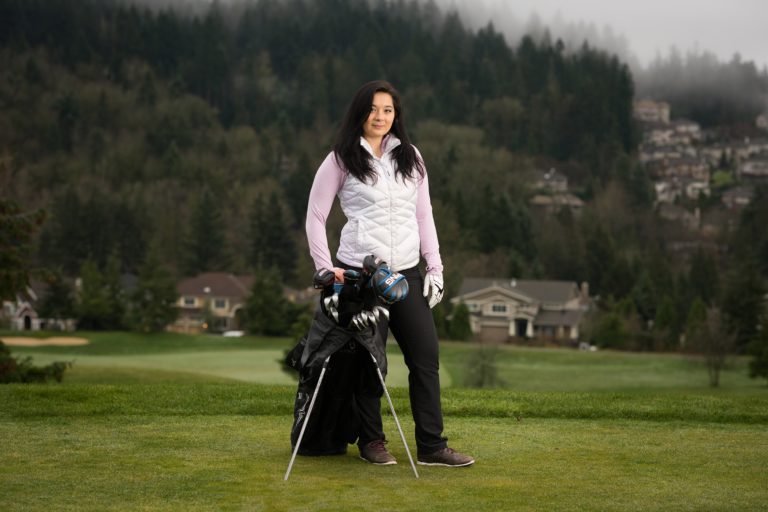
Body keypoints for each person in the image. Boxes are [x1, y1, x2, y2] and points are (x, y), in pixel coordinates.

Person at [305, 80, 474, 467]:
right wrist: (324, 267)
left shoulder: (411, 157)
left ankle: (432, 446)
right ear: (360, 112)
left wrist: (435, 266)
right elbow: (316, 216)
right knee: (370, 361)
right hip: (361, 278)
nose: (380, 117)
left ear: (396, 116)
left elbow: (424, 215)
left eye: (388, 110)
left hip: (408, 273)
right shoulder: (341, 158)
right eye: (373, 109)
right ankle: (372, 441)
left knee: (425, 357)